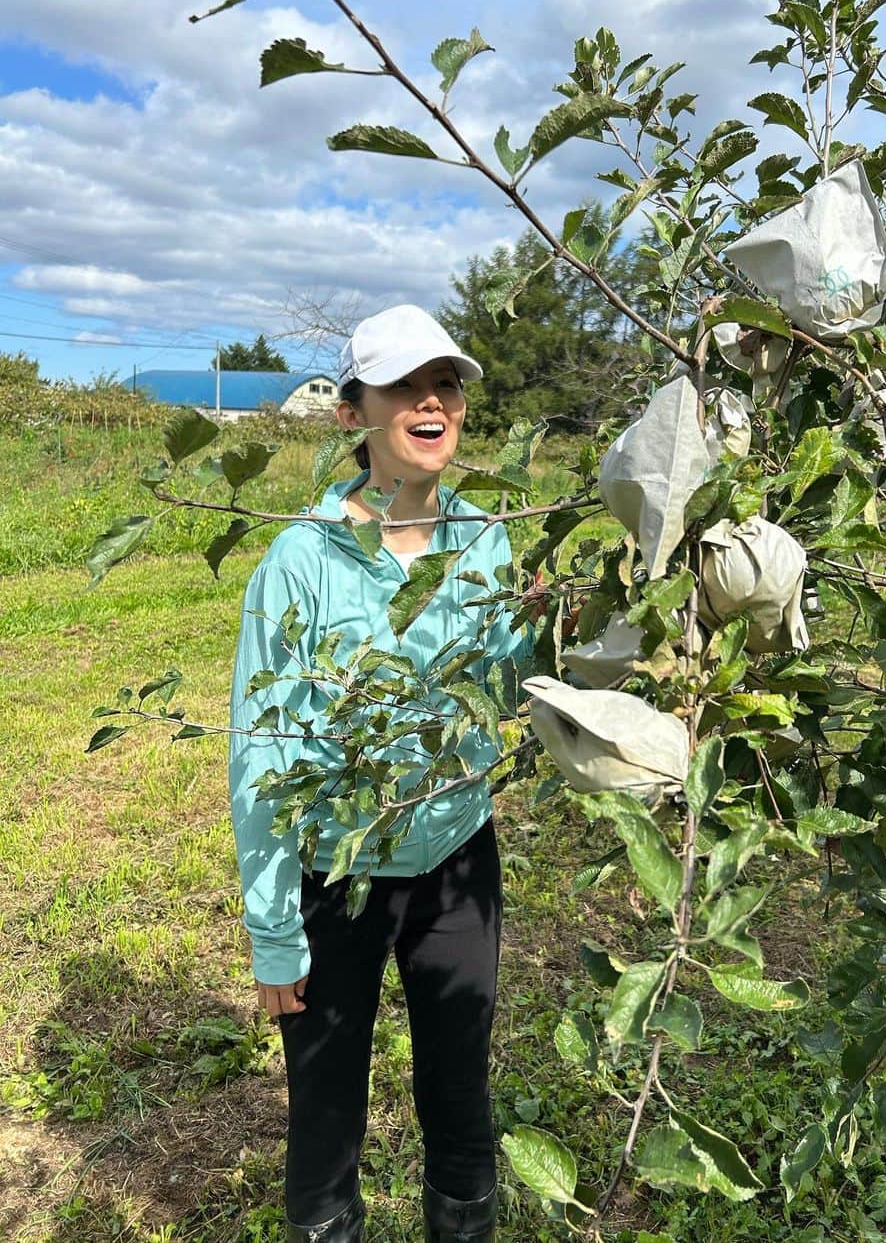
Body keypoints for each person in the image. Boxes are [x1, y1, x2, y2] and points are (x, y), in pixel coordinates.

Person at [227, 304, 535, 1243]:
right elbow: (263, 753)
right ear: (351, 413)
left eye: (445, 383)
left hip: (455, 859)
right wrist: (275, 929)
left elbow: (520, 679)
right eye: (405, 385)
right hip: (336, 873)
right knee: (324, 1106)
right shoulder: (302, 559)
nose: (432, 401)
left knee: (460, 1087)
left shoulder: (487, 540)